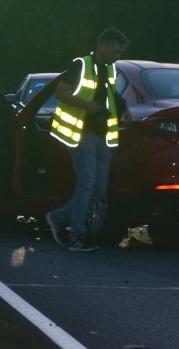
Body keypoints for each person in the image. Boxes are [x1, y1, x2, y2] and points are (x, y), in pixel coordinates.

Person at [46, 27, 130, 252]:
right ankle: (77, 237)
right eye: (115, 51)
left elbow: (111, 94)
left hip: (103, 135)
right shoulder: (81, 65)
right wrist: (87, 107)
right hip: (82, 134)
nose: (117, 56)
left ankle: (57, 217)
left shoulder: (110, 68)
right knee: (86, 185)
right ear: (103, 46)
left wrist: (123, 108)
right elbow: (60, 93)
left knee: (99, 190)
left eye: (120, 52)